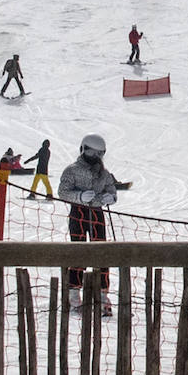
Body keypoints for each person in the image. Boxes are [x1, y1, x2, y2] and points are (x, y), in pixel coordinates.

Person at [58, 134, 118, 312]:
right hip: (78, 212)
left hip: (97, 213)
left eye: (100, 154)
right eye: (92, 153)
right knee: (79, 249)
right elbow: (63, 191)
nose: (96, 158)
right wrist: (79, 197)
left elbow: (112, 189)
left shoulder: (104, 173)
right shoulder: (72, 170)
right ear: (84, 149)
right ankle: (74, 293)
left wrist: (111, 197)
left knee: (101, 250)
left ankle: (101, 293)